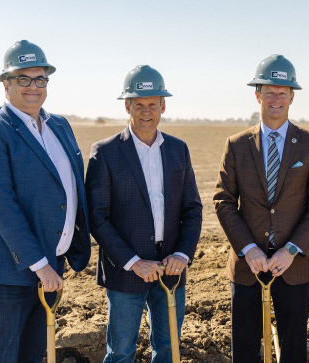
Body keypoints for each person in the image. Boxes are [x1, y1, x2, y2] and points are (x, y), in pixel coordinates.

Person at [0, 40, 91, 363]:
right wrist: (40, 264)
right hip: (4, 274)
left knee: (33, 356)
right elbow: (1, 207)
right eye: (23, 79)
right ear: (6, 84)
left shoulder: (59, 126)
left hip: (49, 268)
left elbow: (71, 188)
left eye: (40, 79)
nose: (33, 87)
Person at [213, 54, 309, 362]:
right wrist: (248, 248)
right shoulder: (237, 145)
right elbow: (224, 201)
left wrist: (291, 249)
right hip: (246, 267)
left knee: (293, 351)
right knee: (245, 350)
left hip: (294, 266)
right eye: (269, 92)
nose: (276, 98)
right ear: (258, 95)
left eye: (283, 92)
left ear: (292, 96)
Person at [86, 65, 203, 363]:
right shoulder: (106, 152)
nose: (146, 111)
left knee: (168, 350)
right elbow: (97, 217)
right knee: (121, 352)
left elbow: (193, 209)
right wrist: (133, 262)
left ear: (163, 105)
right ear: (127, 106)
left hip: (171, 270)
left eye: (153, 104)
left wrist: (182, 255)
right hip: (127, 272)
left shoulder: (179, 149)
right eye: (139, 104)